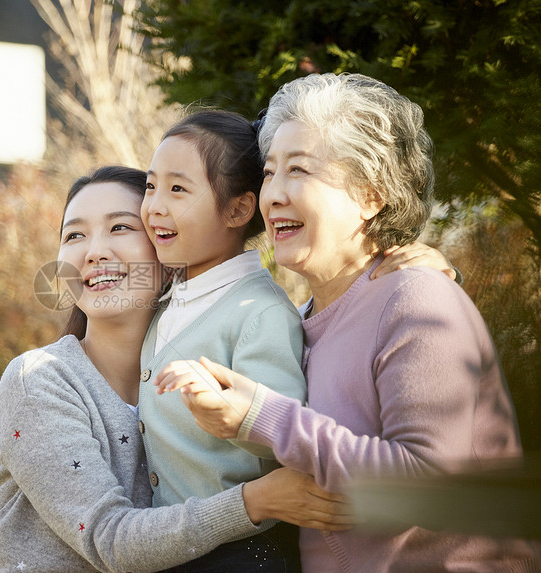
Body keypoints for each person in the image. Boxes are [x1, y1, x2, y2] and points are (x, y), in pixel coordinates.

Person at [154, 73, 537, 572]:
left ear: (372, 195)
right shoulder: (295, 322)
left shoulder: (417, 299)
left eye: (299, 170)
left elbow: (432, 487)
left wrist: (261, 417)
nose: (273, 195)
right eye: (269, 173)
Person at [0, 166, 353, 573]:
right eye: (74, 235)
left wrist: (394, 260)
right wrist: (256, 501)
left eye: (119, 228)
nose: (94, 251)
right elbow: (110, 539)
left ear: (166, 245)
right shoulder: (41, 379)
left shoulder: (218, 367)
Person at [138, 110, 309, 571]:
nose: (154, 206)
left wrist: (229, 409)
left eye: (178, 189)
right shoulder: (170, 299)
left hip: (241, 553)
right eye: (151, 186)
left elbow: (284, 440)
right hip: (177, 544)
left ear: (237, 209)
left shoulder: (259, 312)